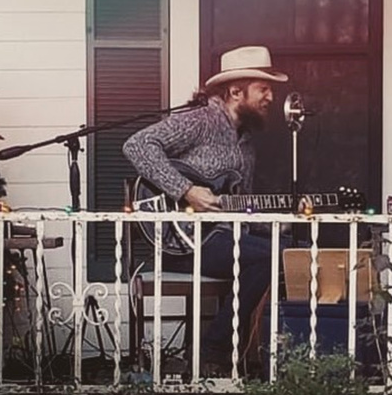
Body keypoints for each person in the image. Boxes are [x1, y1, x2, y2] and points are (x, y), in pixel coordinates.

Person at [122, 45, 288, 372]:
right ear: (236, 91)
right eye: (264, 89)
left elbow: (242, 209)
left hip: (219, 239)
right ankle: (213, 351)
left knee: (287, 252)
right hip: (179, 241)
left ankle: (257, 355)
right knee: (270, 256)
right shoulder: (200, 120)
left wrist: (273, 221)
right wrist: (185, 189)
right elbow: (137, 145)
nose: (271, 97)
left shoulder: (246, 144)